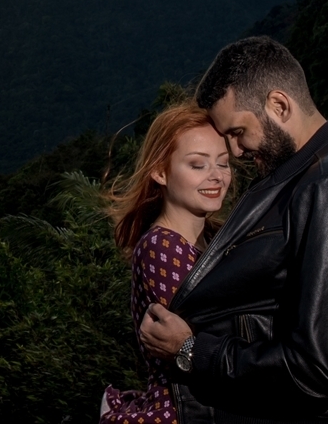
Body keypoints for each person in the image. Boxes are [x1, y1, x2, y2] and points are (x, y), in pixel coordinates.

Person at [139, 36, 328, 424]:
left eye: (237, 132)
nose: (235, 152)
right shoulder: (311, 174)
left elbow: (319, 367)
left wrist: (191, 351)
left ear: (279, 105)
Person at [101, 102, 232, 424]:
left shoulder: (211, 236)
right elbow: (206, 339)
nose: (216, 176)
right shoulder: (162, 246)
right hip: (185, 409)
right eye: (197, 165)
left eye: (224, 163)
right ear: (160, 172)